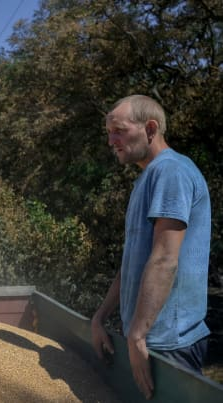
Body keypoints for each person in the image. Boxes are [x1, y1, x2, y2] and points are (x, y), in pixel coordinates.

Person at [90, 94, 211, 399]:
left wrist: (138, 333)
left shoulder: (171, 171)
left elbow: (164, 259)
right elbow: (132, 263)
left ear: (151, 128)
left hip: (170, 344)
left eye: (119, 130)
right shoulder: (147, 179)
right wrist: (101, 315)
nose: (111, 141)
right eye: (108, 133)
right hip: (147, 341)